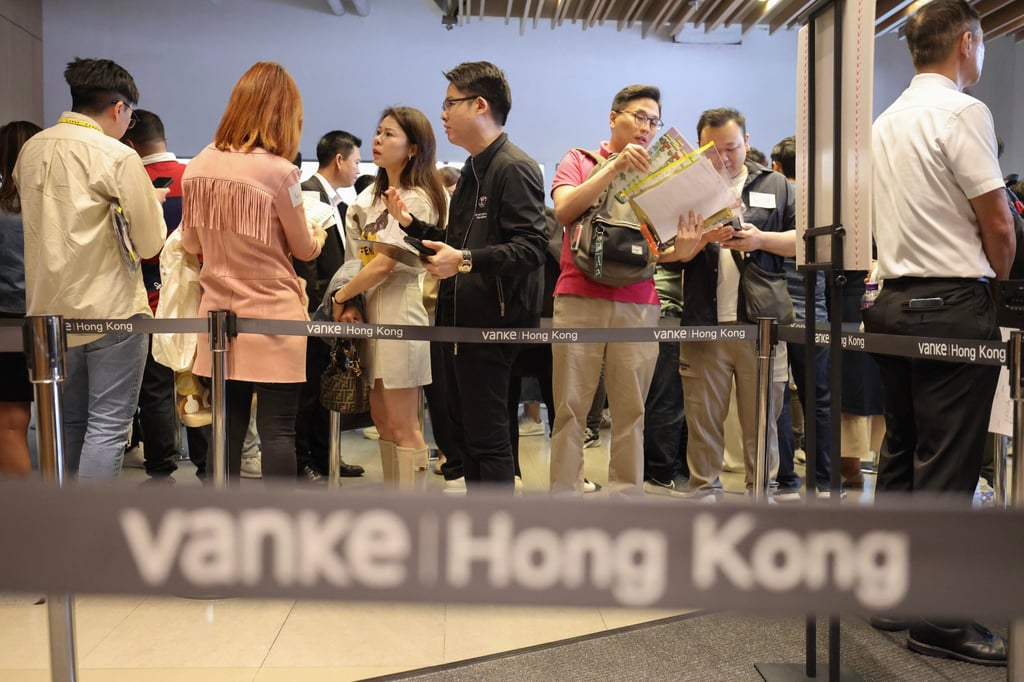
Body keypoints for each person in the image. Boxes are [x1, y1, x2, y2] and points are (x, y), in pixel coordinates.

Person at [864, 0, 1013, 665]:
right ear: (968, 42)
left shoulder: (886, 119)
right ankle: (941, 619)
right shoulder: (963, 112)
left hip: (891, 304)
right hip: (952, 303)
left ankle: (893, 594)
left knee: (901, 455)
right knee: (948, 465)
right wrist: (999, 274)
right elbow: (999, 225)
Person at [14, 58, 168, 481]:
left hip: (49, 312)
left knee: (66, 424)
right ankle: (92, 535)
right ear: (119, 109)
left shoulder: (33, 148)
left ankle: (63, 525)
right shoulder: (117, 155)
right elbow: (152, 242)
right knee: (108, 426)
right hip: (111, 309)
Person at [548, 84, 698, 496]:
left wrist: (685, 247)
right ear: (614, 117)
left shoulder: (661, 174)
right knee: (570, 407)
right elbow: (564, 210)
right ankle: (563, 494)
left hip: (639, 301)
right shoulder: (580, 159)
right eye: (639, 116)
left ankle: (626, 497)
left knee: (632, 410)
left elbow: (662, 252)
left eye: (654, 120)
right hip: (579, 293)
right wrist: (612, 168)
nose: (646, 127)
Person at [180, 61, 325, 483]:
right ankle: (276, 525)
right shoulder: (284, 173)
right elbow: (303, 248)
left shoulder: (199, 166)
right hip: (275, 316)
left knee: (226, 427)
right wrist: (315, 233)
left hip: (219, 317)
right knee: (278, 429)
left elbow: (191, 245)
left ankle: (221, 520)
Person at [417, 61, 548, 492]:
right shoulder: (473, 169)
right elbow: (460, 244)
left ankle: (495, 536)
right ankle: (479, 532)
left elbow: (531, 248)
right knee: (467, 438)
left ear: (479, 105)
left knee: (489, 442)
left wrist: (466, 261)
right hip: (460, 323)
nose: (443, 114)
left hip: (493, 327)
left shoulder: (514, 167)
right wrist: (416, 232)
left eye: (449, 104)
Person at [667, 107, 796, 500]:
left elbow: (804, 242)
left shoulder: (777, 185)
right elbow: (664, 251)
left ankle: (762, 495)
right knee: (702, 419)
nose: (723, 158)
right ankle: (704, 493)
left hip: (762, 324)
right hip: (704, 320)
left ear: (747, 143)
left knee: (763, 421)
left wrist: (760, 241)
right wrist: (691, 246)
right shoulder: (684, 187)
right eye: (712, 151)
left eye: (731, 148)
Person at [329, 106, 447, 491]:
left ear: (413, 148)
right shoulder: (369, 196)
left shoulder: (420, 197)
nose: (378, 140)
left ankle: (414, 514)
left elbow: (385, 264)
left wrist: (342, 296)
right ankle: (395, 507)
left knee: (403, 423)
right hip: (367, 307)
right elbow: (355, 259)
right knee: (381, 421)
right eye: (378, 132)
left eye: (389, 134)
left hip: (400, 308)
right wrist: (349, 303)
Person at [121, 109, 210, 480]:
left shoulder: (129, 183)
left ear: (128, 143)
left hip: (145, 300)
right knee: (199, 383)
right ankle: (209, 465)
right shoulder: (196, 179)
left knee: (155, 390)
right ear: (165, 139)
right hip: (196, 302)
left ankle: (160, 466)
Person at [294, 129, 365, 482]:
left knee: (323, 386)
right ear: (339, 159)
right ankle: (304, 460)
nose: (357, 168)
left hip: (329, 309)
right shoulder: (309, 195)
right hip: (313, 309)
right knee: (307, 391)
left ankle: (326, 457)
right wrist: (316, 305)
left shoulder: (334, 199)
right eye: (355, 160)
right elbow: (307, 259)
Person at [769, 135, 835, 499]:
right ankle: (824, 481)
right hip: (816, 312)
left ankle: (784, 480)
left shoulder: (772, 197)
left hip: (776, 310)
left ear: (776, 167)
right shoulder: (820, 204)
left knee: (776, 397)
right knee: (819, 399)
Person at [0, 120, 41, 478]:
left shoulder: (4, 209)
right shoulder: (48, 208)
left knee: (10, 423)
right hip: (43, 320)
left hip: (7, 322)